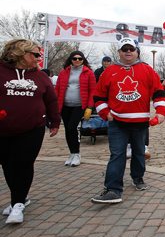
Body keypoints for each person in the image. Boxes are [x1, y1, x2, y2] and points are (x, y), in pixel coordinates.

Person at [91, 38, 165, 204]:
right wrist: (105, 113)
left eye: (131, 49)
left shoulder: (147, 70)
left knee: (139, 153)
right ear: (119, 52)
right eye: (124, 49)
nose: (128, 51)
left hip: (140, 124)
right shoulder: (109, 72)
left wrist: (161, 111)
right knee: (117, 154)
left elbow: (158, 92)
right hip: (117, 122)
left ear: (136, 51)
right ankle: (113, 189)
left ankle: (138, 177)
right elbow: (98, 96)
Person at [0, 39, 60, 224]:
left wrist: (55, 120)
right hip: (3, 130)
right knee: (8, 165)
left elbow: (51, 100)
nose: (38, 58)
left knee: (24, 164)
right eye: (35, 54)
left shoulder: (40, 76)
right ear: (20, 53)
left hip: (32, 129)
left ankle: (18, 204)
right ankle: (20, 197)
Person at [55, 51, 96, 167]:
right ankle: (72, 153)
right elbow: (57, 89)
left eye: (80, 58)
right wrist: (55, 105)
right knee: (68, 129)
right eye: (74, 58)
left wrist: (90, 106)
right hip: (65, 105)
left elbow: (93, 90)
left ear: (83, 60)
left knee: (73, 127)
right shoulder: (64, 72)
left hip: (79, 105)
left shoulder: (89, 73)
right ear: (70, 59)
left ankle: (77, 154)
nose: (77, 60)